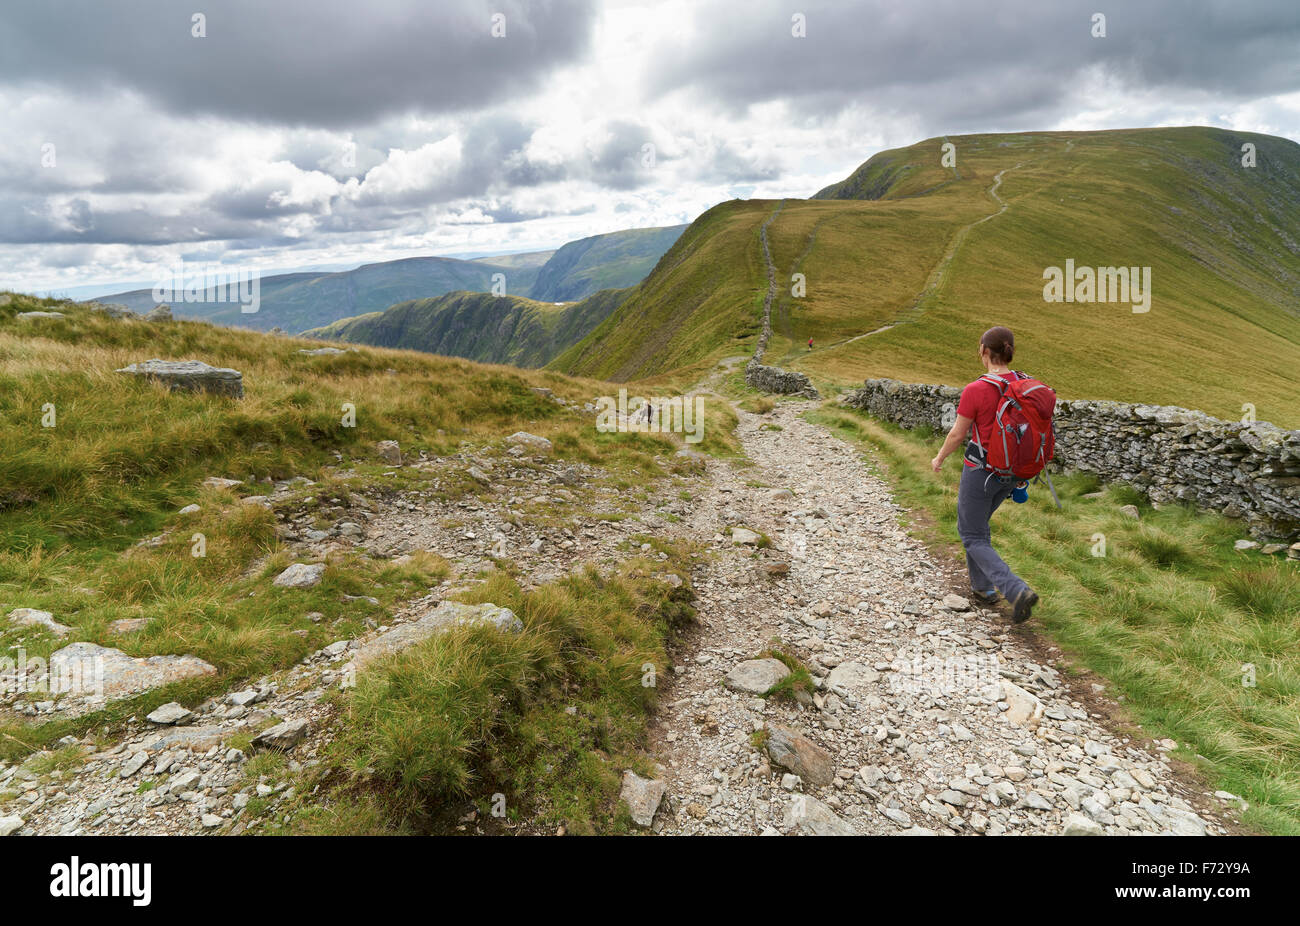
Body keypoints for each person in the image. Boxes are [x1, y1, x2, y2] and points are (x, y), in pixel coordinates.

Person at [929, 326, 1039, 622]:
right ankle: (982, 589)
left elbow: (957, 434)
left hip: (982, 472)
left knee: (972, 533)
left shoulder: (976, 389)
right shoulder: (1025, 384)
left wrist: (939, 458)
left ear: (984, 352)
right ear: (1010, 352)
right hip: (1014, 474)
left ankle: (1016, 591)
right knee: (977, 528)